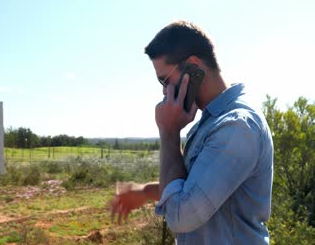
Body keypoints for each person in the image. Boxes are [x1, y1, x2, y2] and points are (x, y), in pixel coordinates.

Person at [111, 21, 274, 244]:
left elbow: (181, 216)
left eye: (164, 79)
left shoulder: (236, 127)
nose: (163, 90)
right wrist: (144, 193)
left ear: (193, 66)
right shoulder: (209, 123)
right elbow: (192, 188)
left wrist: (168, 132)